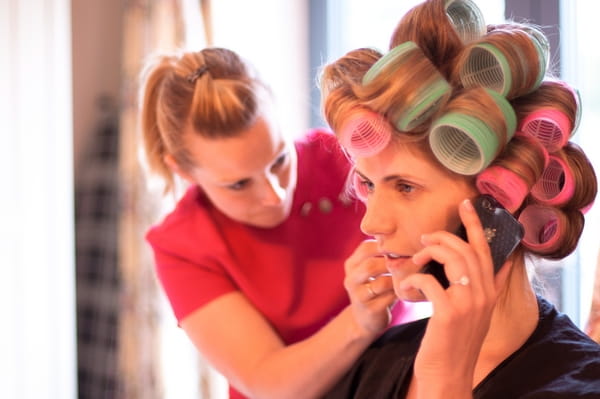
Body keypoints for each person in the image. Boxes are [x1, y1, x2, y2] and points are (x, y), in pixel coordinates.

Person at [318, 0, 600, 397]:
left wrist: (444, 382)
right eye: (368, 185)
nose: (371, 223)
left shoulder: (582, 385)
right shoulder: (376, 362)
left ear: (501, 205)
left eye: (406, 187)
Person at [139, 47, 414, 399]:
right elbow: (269, 383)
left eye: (280, 159)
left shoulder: (346, 157)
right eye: (238, 184)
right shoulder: (182, 246)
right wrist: (359, 322)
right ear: (183, 170)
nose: (275, 194)